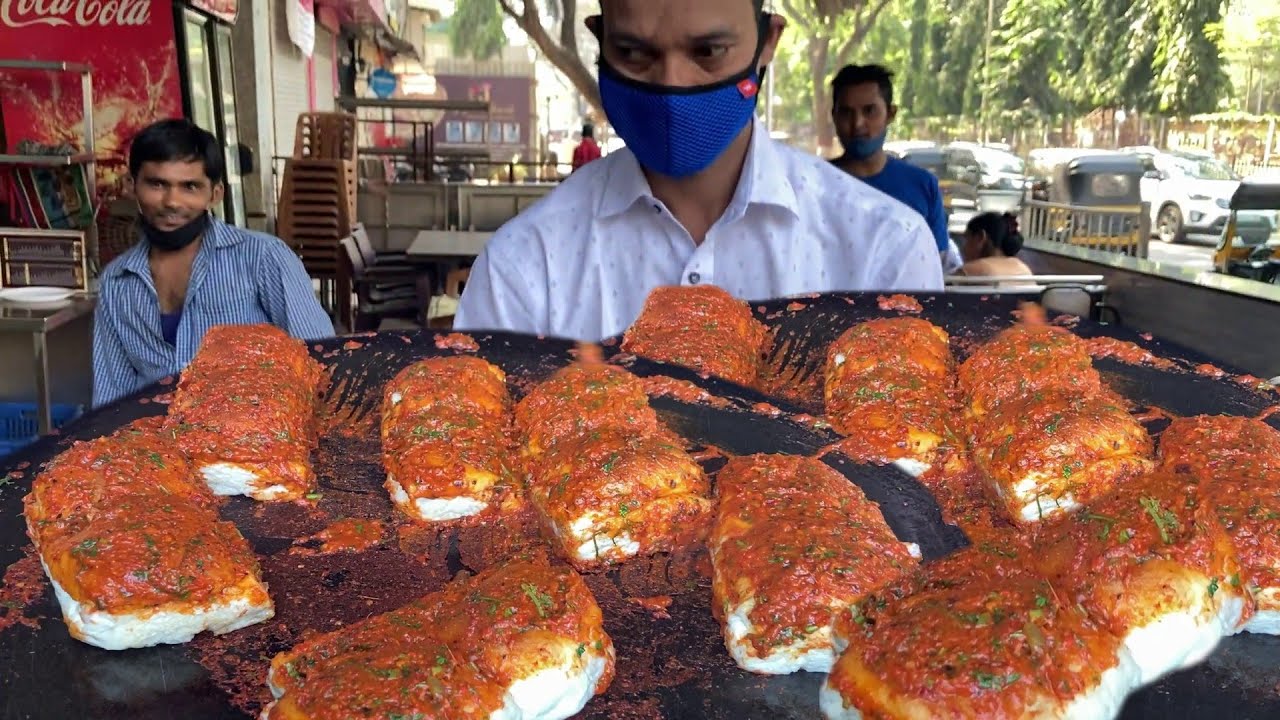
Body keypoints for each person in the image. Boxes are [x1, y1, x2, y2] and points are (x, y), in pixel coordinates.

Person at [456, 0, 942, 340]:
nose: (673, 84)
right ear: (601, 41)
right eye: (634, 53)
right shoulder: (522, 267)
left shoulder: (886, 251)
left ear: (767, 42)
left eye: (708, 52)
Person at [93, 119, 334, 407]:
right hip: (155, 445)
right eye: (157, 184)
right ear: (132, 186)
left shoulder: (262, 257)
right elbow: (111, 402)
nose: (172, 201)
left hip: (257, 441)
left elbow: (321, 361)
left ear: (215, 194)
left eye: (190, 187)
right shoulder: (116, 281)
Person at [829, 63, 960, 272]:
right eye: (846, 113)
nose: (857, 124)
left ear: (890, 114)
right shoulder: (815, 184)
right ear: (834, 116)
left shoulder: (923, 186)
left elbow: (939, 267)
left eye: (869, 111)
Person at [960, 211, 1033, 278]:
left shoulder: (970, 271)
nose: (963, 248)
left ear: (980, 237)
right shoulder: (1024, 270)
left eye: (966, 239)